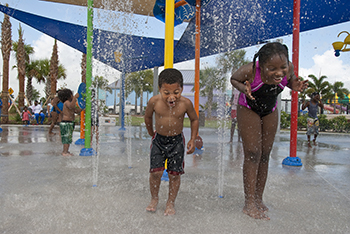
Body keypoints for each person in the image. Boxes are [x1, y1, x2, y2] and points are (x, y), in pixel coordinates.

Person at [230, 42, 308, 220]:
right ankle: (249, 203)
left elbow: (290, 80)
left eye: (282, 67)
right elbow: (234, 78)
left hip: (270, 110)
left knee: (265, 154)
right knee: (252, 153)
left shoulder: (288, 69)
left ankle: (258, 198)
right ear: (262, 65)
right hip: (248, 107)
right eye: (271, 68)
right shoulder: (250, 70)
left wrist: (294, 85)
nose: (279, 72)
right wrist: (243, 88)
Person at [144, 68, 199, 216]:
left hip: (176, 142)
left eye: (176, 92)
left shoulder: (185, 103)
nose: (172, 97)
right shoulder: (154, 102)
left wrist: (193, 139)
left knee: (174, 175)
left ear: (181, 88)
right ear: (160, 89)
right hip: (159, 140)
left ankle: (170, 202)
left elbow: (194, 119)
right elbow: (148, 117)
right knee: (156, 173)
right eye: (166, 93)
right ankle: (154, 198)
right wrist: (151, 133)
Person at [58, 88, 82, 156]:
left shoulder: (69, 104)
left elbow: (76, 111)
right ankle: (65, 152)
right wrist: (75, 98)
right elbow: (71, 106)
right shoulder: (67, 102)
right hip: (66, 123)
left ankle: (66, 151)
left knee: (68, 138)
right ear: (69, 96)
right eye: (72, 95)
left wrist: (83, 108)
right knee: (66, 138)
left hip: (69, 123)